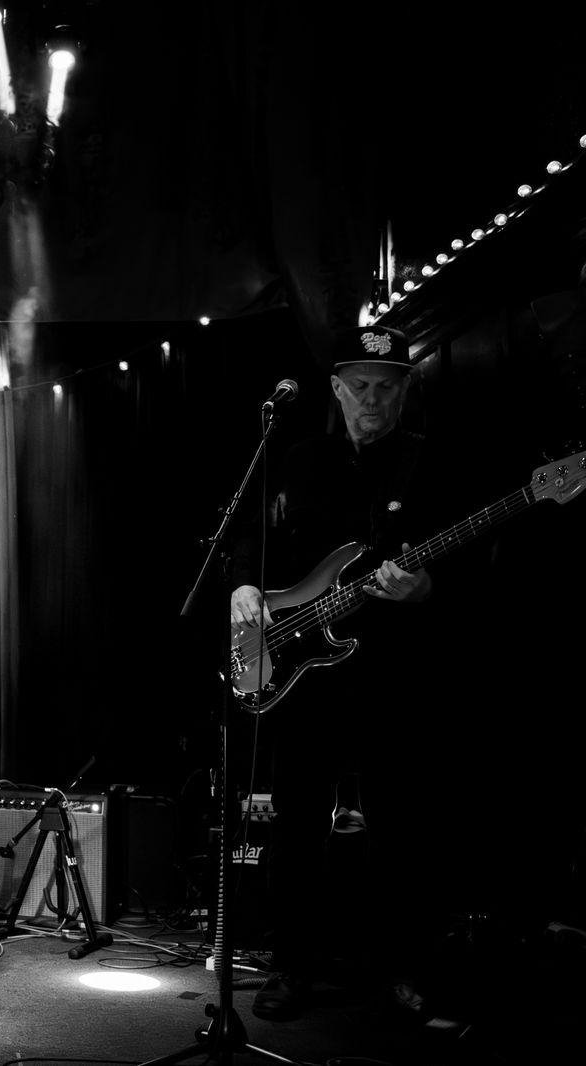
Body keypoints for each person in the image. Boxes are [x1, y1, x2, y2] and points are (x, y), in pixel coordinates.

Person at [228, 324, 451, 1020]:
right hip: (308, 672)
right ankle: (290, 965)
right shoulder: (299, 460)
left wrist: (427, 589)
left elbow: (470, 565)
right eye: (360, 386)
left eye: (386, 386)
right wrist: (244, 586)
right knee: (296, 823)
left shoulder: (428, 463)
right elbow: (251, 539)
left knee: (402, 825)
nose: (373, 399)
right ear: (336, 389)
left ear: (406, 390)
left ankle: (400, 968)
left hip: (396, 673)